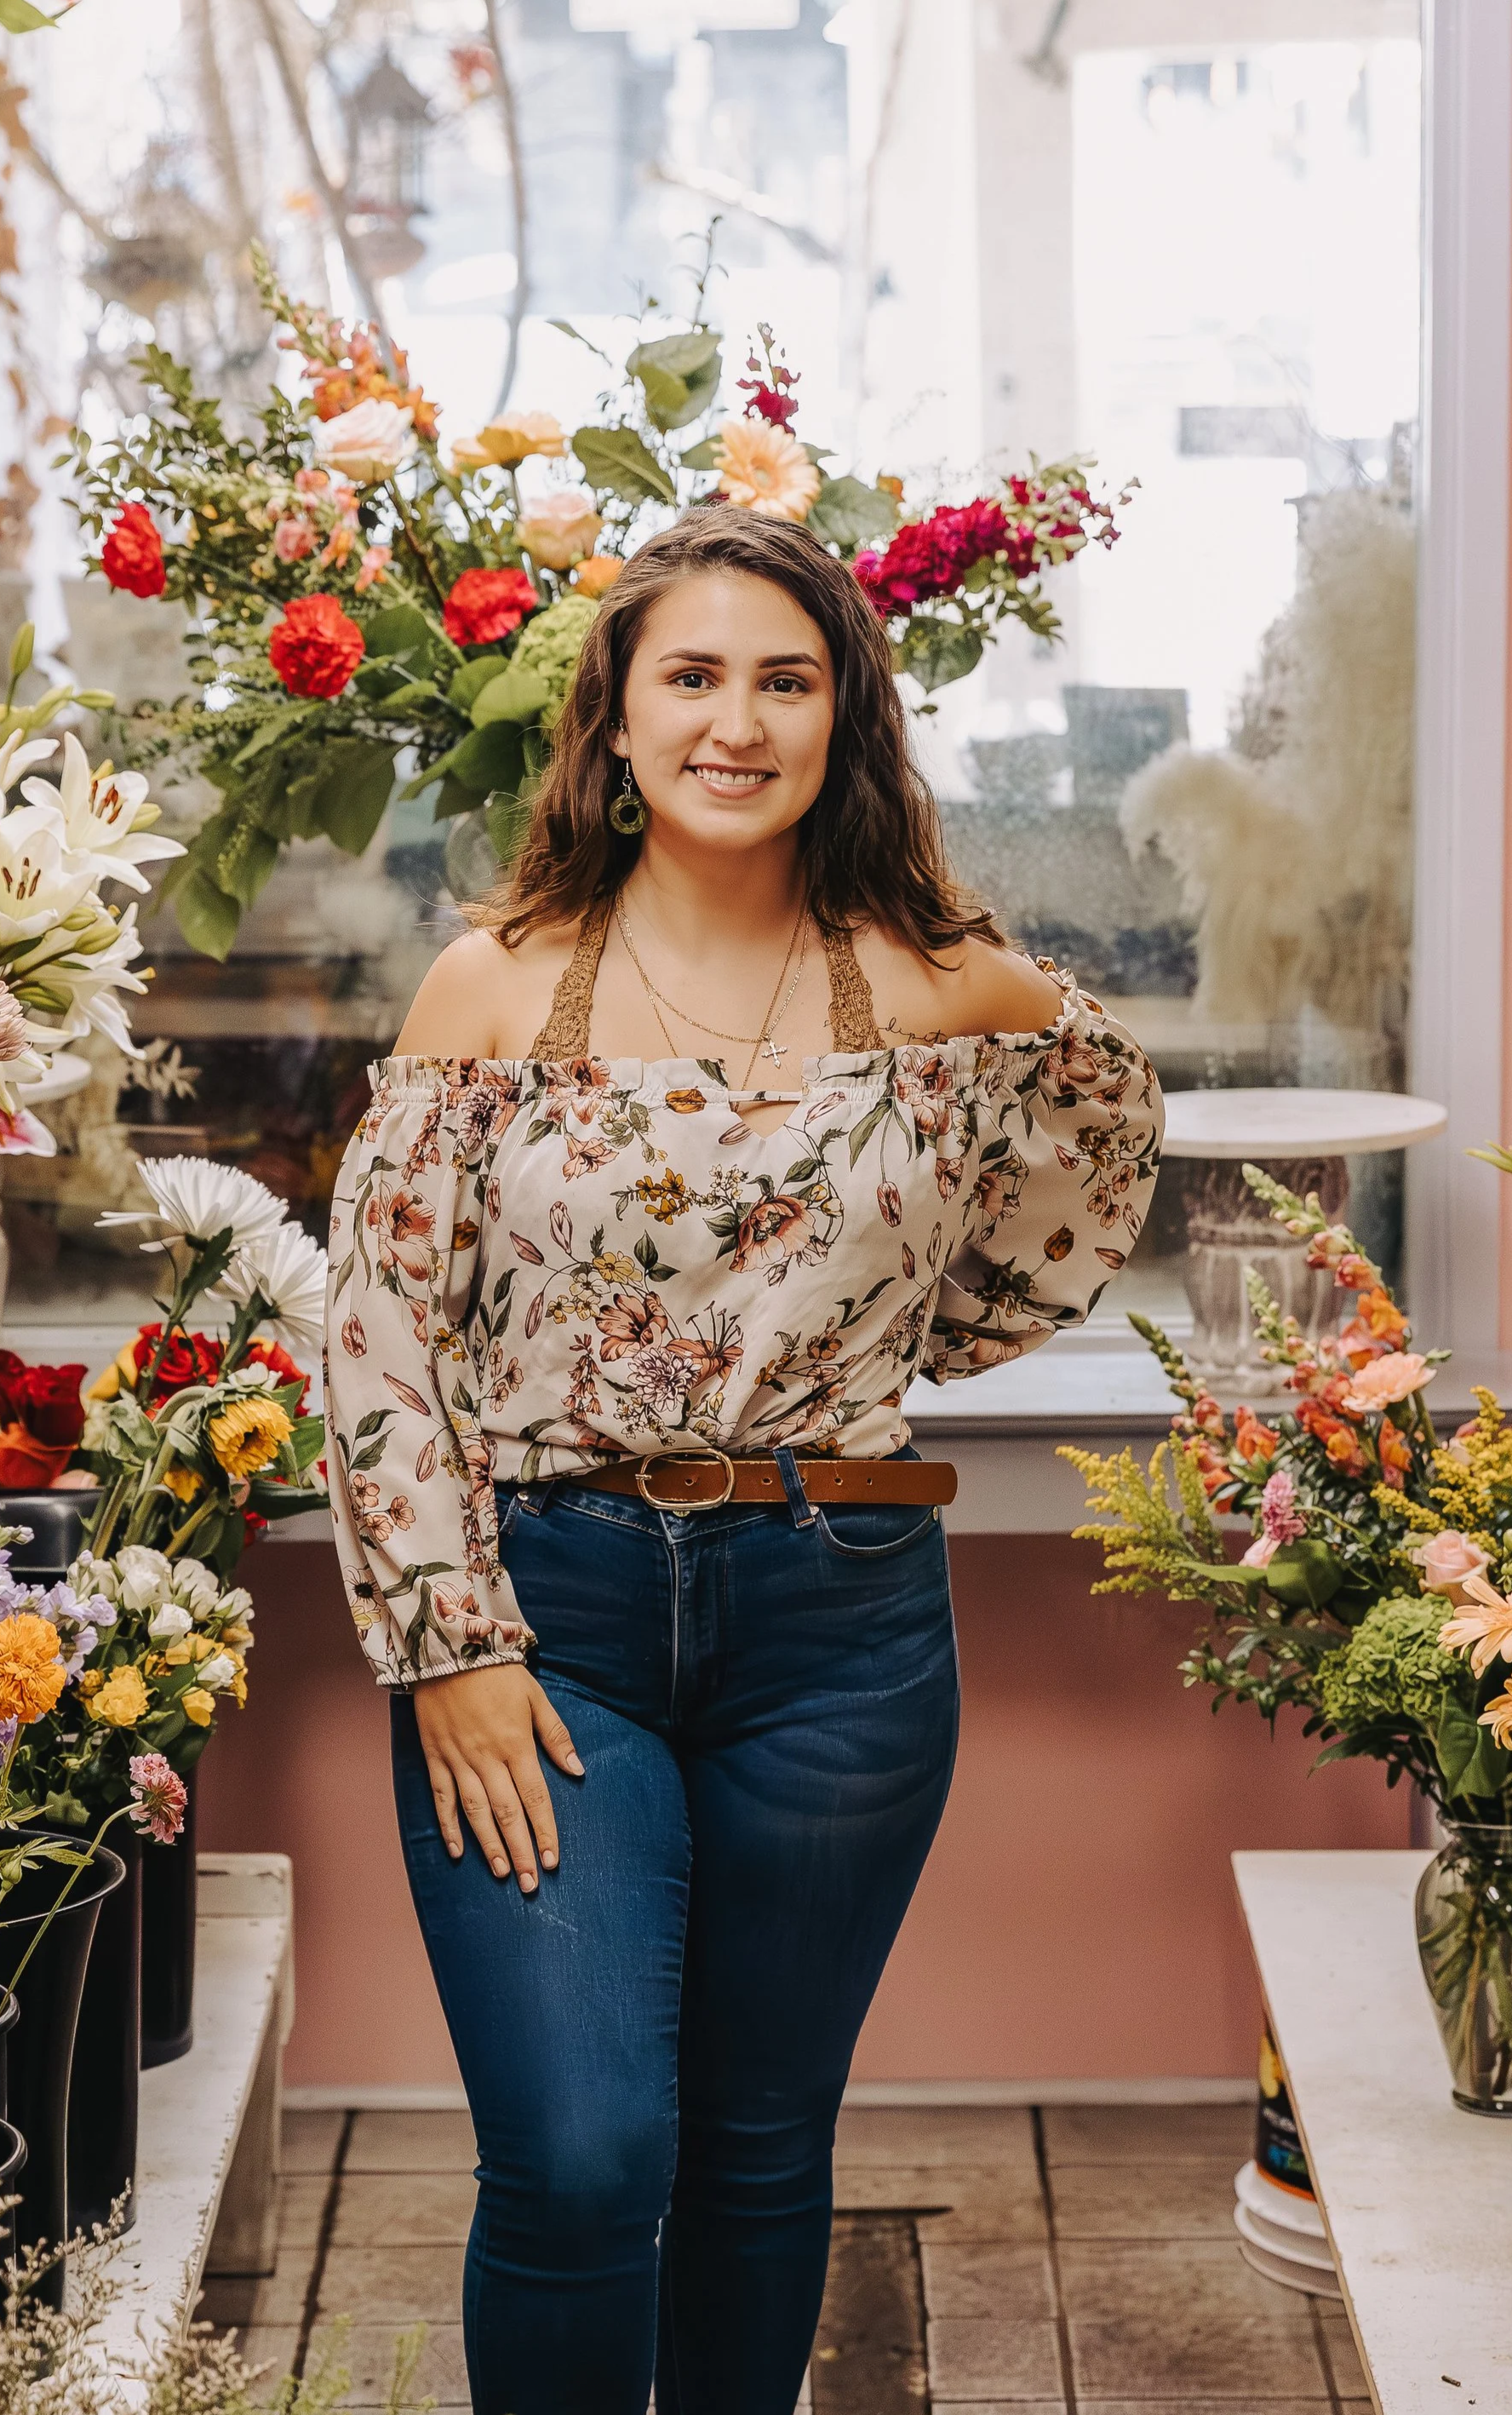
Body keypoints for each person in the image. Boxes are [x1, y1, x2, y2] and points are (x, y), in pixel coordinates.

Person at [324, 504, 1163, 2414]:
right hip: (552, 1626)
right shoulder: (497, 987)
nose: (735, 719)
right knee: (583, 2155)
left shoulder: (934, 981)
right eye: (690, 675)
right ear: (612, 722)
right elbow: (377, 1337)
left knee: (764, 2149)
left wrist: (908, 1337)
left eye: (785, 679)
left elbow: (1100, 1118)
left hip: (844, 1624)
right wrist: (452, 1642)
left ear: (842, 719)